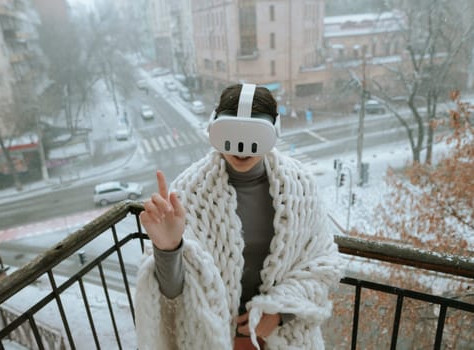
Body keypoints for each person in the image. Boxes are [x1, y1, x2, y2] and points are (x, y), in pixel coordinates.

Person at [135, 83, 343, 349]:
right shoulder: (187, 193)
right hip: (208, 338)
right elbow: (171, 294)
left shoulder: (301, 187)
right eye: (231, 133)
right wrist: (168, 248)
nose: (242, 148)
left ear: (274, 132)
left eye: (256, 135)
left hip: (283, 337)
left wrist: (280, 314)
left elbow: (322, 264)